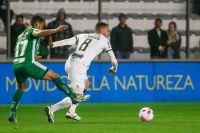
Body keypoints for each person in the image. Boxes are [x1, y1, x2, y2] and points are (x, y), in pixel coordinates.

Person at [8, 15, 86, 123]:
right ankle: (73, 97)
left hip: (16, 64)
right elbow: (38, 33)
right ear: (36, 24)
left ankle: (12, 113)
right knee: (55, 76)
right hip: (27, 64)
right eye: (42, 25)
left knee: (21, 88)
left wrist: (34, 57)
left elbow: (22, 50)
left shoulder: (21, 35)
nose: (42, 28)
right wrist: (56, 30)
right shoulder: (33, 30)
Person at [45, 22, 118, 123]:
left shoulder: (84, 35)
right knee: (77, 96)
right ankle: (54, 109)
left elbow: (69, 41)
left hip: (71, 62)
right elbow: (114, 60)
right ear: (101, 30)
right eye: (107, 30)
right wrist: (114, 68)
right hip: (78, 66)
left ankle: (71, 110)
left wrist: (54, 44)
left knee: (86, 84)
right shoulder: (105, 40)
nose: (109, 32)